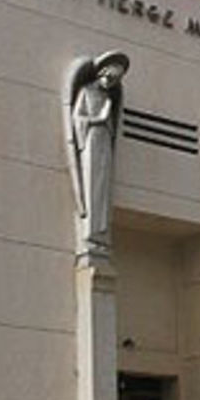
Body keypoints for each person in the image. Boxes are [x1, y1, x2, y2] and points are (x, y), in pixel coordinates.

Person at [64, 51, 129, 254]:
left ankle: (101, 230)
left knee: (102, 185)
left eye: (116, 79)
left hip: (104, 143)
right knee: (92, 184)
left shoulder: (108, 97)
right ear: (102, 72)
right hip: (90, 140)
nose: (111, 81)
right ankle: (90, 231)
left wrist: (106, 121)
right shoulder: (86, 92)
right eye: (110, 76)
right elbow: (77, 120)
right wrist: (97, 120)